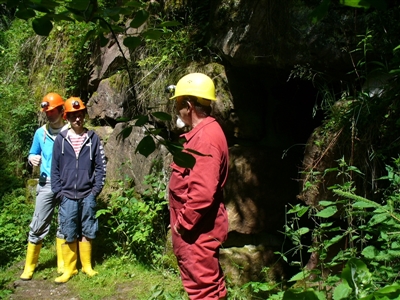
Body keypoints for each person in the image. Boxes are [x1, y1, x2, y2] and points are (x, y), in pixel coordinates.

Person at [168, 73, 229, 300]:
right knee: (211, 286)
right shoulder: (204, 133)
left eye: (178, 103)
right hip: (198, 228)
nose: (176, 109)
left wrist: (183, 224)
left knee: (203, 290)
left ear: (189, 105)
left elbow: (202, 193)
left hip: (196, 232)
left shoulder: (205, 138)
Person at [51, 97, 106, 284]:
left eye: (80, 115)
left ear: (84, 116)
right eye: (73, 116)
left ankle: (87, 267)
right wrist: (58, 192)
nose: (77, 119)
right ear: (67, 117)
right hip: (66, 195)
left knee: (88, 230)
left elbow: (100, 166)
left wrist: (95, 190)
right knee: (69, 230)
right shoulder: (61, 139)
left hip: (87, 194)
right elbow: (55, 168)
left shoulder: (93, 139)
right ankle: (70, 269)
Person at [20, 92, 69, 280]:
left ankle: (62, 264)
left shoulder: (69, 132)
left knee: (65, 224)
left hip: (66, 184)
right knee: (38, 223)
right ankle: (29, 267)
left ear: (60, 110)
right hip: (46, 182)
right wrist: (32, 158)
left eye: (52, 111)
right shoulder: (40, 133)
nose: (49, 114)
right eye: (47, 111)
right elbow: (33, 153)